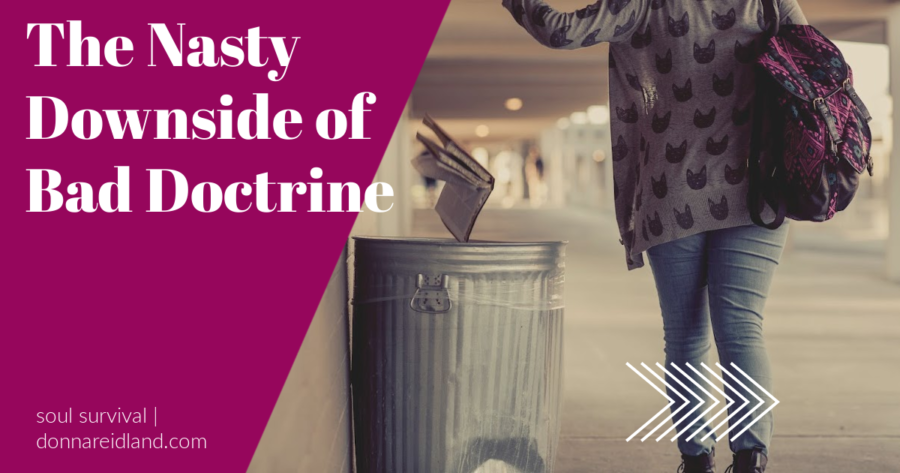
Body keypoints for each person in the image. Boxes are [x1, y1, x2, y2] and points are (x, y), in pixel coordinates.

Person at [502, 1, 806, 472]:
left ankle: (696, 460)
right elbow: (815, 69)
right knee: (742, 328)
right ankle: (751, 457)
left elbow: (559, 31)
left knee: (685, 337)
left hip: (672, 194)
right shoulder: (768, 2)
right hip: (757, 188)